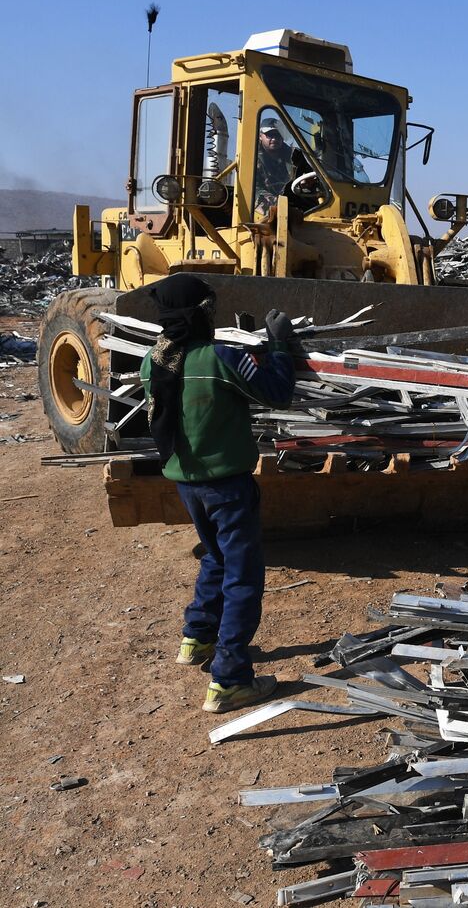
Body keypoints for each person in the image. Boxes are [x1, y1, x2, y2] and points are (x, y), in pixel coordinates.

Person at [138, 274, 298, 713]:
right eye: (209, 309)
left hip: (187, 482)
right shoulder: (221, 358)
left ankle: (197, 638)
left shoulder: (153, 362)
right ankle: (229, 680)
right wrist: (282, 346)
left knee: (215, 556)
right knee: (243, 576)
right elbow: (279, 394)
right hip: (227, 485)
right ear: (200, 315)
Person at [253, 122, 296, 214]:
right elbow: (252, 188)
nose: (274, 139)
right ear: (260, 136)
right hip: (264, 208)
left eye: (278, 135)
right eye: (269, 135)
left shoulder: (293, 156)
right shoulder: (252, 156)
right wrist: (277, 202)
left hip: (292, 201)